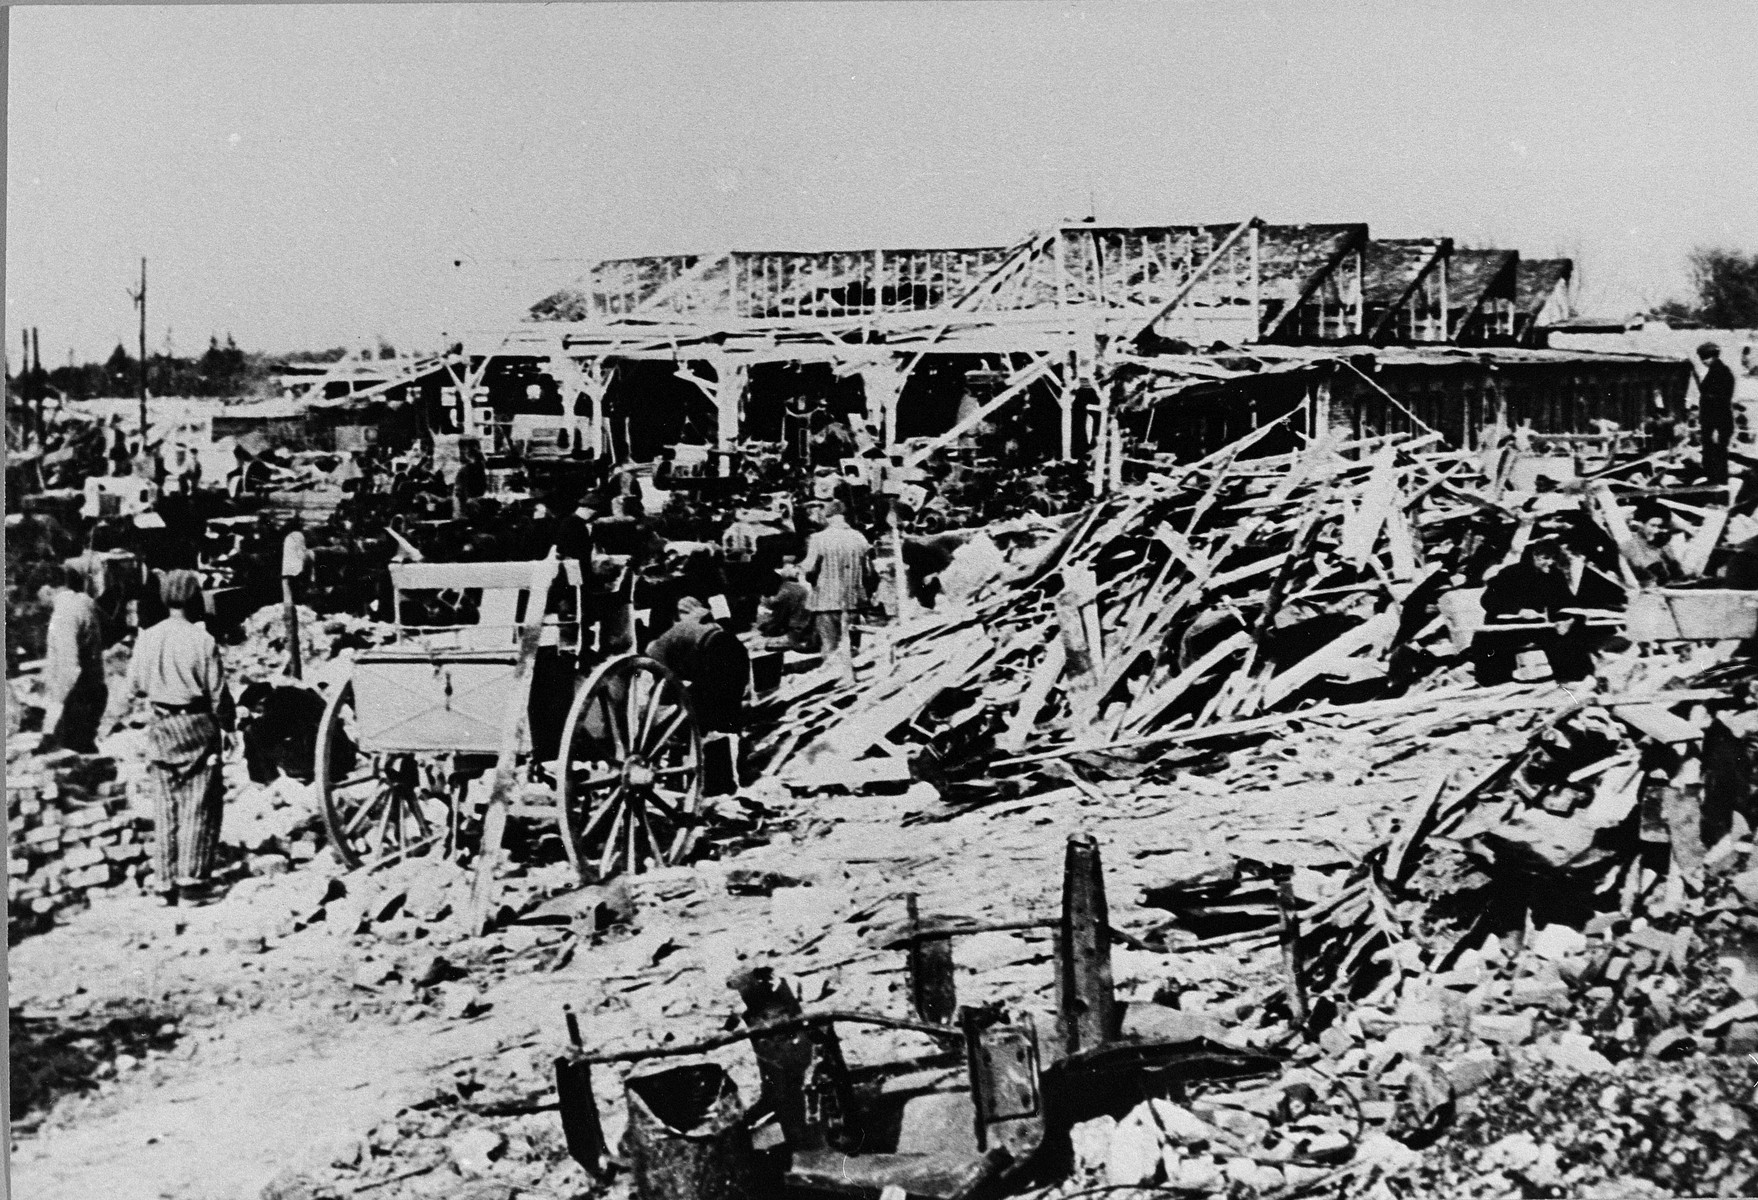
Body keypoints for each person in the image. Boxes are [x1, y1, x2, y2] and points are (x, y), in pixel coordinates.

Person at [127, 570, 235, 905]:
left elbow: (135, 686)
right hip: (197, 725)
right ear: (195, 599)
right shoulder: (202, 640)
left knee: (166, 805)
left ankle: (164, 884)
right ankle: (192, 884)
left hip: (161, 726)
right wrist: (228, 726)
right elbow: (218, 692)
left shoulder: (148, 637)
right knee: (198, 804)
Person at [1471, 538, 1602, 686]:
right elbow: (1488, 599)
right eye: (1545, 558)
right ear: (1534, 555)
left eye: (1553, 559)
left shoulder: (1554, 576)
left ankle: (1574, 679)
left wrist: (1568, 619)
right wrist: (1518, 611)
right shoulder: (1511, 573)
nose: (1550, 563)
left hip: (1537, 625)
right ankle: (1496, 682)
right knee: (1488, 642)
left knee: (1570, 635)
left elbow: (1567, 602)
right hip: (1509, 625)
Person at [647, 595, 749, 733]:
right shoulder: (691, 626)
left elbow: (664, 683)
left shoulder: (656, 647)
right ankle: (733, 736)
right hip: (733, 647)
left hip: (713, 652)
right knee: (728, 705)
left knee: (705, 708)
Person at [38, 564, 107, 754]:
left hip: (76, 700)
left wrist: (50, 723)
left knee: (70, 762)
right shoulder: (84, 603)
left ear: (47, 589)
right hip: (93, 692)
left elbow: (70, 669)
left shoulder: (63, 613)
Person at [801, 500, 871, 685]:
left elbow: (808, 568)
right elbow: (869, 571)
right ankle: (853, 682)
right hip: (853, 599)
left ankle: (833, 684)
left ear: (828, 516)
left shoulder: (819, 538)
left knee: (830, 647)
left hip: (826, 599)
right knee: (852, 647)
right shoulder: (859, 537)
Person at [751, 560, 818, 653]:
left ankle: (791, 637)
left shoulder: (788, 587)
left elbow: (772, 603)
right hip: (799, 623)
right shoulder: (799, 587)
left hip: (792, 624)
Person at [1698, 341, 1736, 486]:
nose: (1703, 362)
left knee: (1715, 453)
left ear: (1711, 357)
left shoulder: (1720, 372)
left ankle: (1717, 482)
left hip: (1716, 421)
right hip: (1716, 421)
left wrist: (1714, 428)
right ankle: (1717, 480)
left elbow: (1720, 399)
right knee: (1717, 453)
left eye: (1704, 358)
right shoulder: (1719, 371)